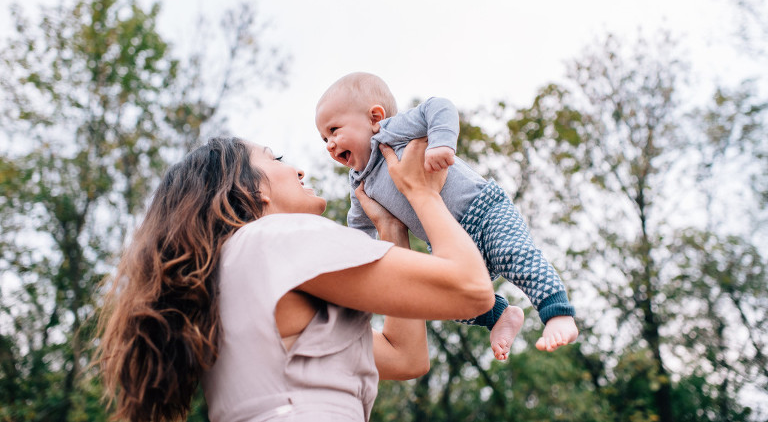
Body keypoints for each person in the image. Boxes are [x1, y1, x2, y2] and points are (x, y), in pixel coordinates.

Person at [97, 136, 494, 422]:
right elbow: (471, 289)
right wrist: (420, 192)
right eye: (276, 158)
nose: (299, 168)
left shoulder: (228, 275)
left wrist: (391, 228)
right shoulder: (278, 236)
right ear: (250, 189)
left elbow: (404, 356)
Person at [315, 72, 579, 361]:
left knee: (513, 255)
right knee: (445, 300)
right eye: (324, 138)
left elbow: (439, 107)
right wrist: (352, 265)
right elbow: (359, 229)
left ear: (374, 117)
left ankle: (557, 312)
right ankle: (500, 315)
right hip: (446, 243)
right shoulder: (359, 183)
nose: (329, 143)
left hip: (483, 210)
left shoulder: (390, 131)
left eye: (335, 130)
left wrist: (442, 142)